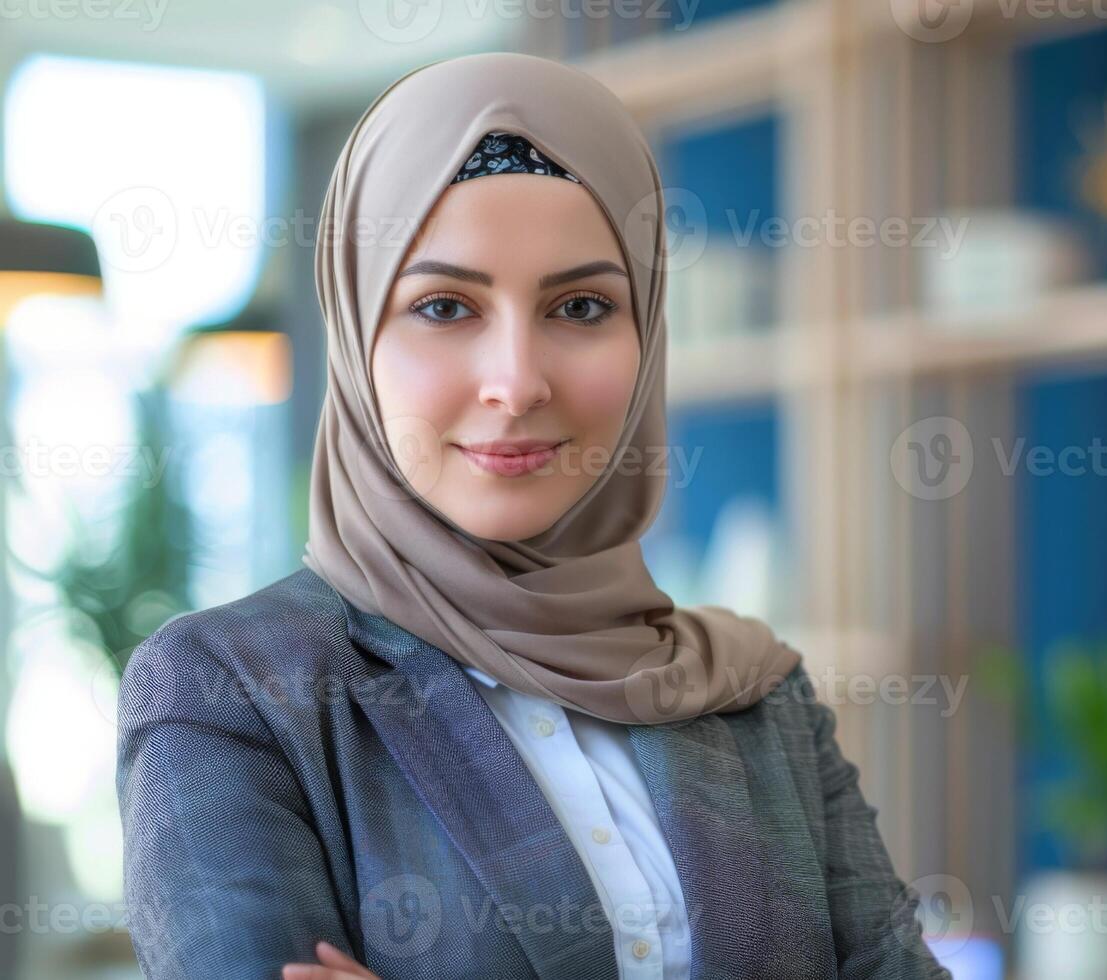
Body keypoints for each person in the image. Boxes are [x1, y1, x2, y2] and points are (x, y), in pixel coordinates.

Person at [115, 51, 948, 980]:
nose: (516, 383)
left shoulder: (752, 690)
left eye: (582, 305)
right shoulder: (232, 691)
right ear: (354, 338)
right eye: (443, 306)